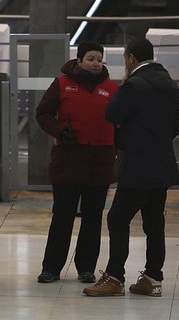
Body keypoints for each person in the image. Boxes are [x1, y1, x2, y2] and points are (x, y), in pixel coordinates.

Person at [84, 38, 179, 297]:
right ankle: (153, 278)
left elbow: (112, 114)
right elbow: (177, 126)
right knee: (154, 222)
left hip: (137, 166)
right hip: (161, 165)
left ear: (130, 58)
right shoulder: (170, 84)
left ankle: (115, 277)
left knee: (117, 218)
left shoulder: (134, 85)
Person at [35, 42, 119, 284]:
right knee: (62, 215)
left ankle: (86, 267)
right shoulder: (62, 84)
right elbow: (43, 114)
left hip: (99, 163)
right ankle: (51, 268)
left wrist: (118, 147)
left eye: (99, 59)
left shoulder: (112, 88)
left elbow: (120, 122)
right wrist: (60, 131)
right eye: (91, 58)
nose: (96, 63)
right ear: (79, 60)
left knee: (93, 218)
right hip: (68, 161)